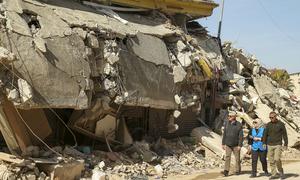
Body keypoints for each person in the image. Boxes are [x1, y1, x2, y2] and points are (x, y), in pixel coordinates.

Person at [263, 112, 288, 179]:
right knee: (271, 160)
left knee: (277, 159)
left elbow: (285, 135)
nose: (271, 119)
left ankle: (281, 172)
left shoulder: (281, 124)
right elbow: (265, 134)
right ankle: (274, 174)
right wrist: (264, 143)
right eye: (270, 117)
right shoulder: (268, 125)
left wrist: (285, 144)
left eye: (272, 117)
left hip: (278, 144)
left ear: (275, 116)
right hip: (269, 144)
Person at [222, 111, 243, 177]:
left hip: (236, 145)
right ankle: (226, 171)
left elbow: (241, 136)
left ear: (234, 117)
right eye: (228, 116)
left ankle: (237, 170)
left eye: (230, 116)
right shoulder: (227, 123)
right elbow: (224, 134)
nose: (229, 117)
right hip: (228, 144)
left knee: (237, 158)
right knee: (227, 157)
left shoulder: (239, 125)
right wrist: (223, 143)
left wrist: (240, 145)